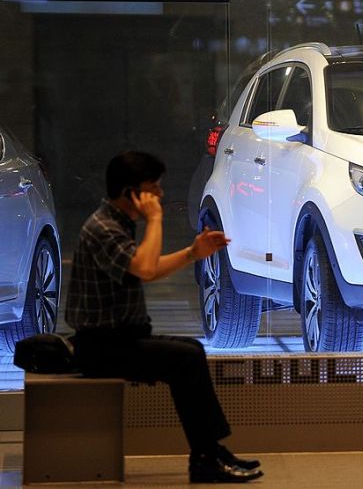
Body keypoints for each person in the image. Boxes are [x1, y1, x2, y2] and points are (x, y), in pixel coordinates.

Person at [64, 151, 263, 483]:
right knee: (185, 359)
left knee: (192, 351)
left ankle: (209, 452)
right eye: (152, 187)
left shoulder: (115, 222)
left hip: (117, 340)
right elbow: (145, 268)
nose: (160, 193)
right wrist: (155, 220)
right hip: (99, 347)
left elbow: (147, 268)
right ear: (131, 193)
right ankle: (206, 457)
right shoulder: (103, 228)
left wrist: (193, 253)